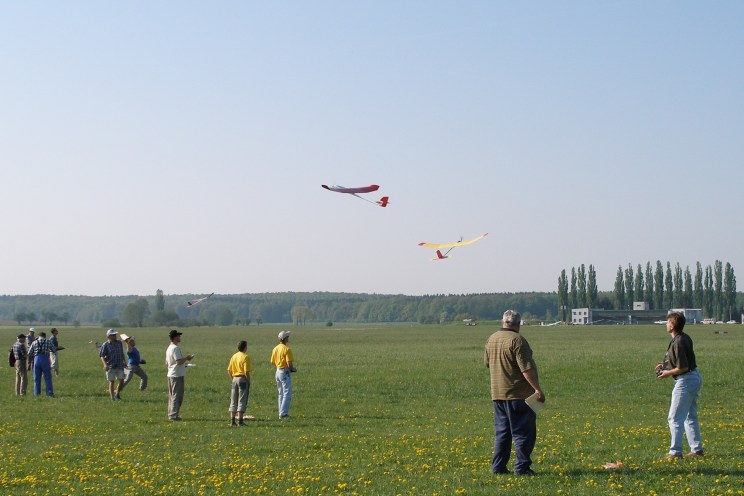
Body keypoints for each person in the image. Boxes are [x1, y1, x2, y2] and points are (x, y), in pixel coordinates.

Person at [484, 309, 545, 476]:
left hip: (497, 394)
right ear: (518, 324)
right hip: (519, 395)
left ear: (503, 322)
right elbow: (527, 369)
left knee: (502, 433)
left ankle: (498, 467)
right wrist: (537, 389)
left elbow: (488, 363)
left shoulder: (492, 339)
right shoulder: (518, 341)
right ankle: (522, 468)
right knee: (523, 434)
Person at [656, 311, 703, 460]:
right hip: (693, 377)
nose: (666, 324)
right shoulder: (683, 338)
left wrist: (667, 373)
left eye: (667, 322)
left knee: (674, 418)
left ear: (672, 325)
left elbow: (683, 367)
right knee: (690, 416)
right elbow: (681, 361)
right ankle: (696, 449)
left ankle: (675, 452)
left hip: (685, 380)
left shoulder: (678, 342)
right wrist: (666, 365)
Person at [165, 329, 194, 421]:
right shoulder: (175, 348)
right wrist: (187, 358)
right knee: (177, 396)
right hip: (177, 375)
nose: (180, 337)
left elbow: (167, 363)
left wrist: (183, 365)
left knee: (172, 395)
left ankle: (171, 414)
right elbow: (178, 362)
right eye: (178, 336)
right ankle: (173, 416)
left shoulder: (169, 348)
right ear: (174, 338)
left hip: (171, 374)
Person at [270, 330, 297, 419]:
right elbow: (289, 363)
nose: (288, 338)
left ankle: (280, 412)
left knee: (280, 393)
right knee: (287, 393)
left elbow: (272, 362)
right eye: (287, 337)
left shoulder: (275, 348)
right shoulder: (287, 349)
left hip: (277, 371)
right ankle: (283, 414)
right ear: (285, 339)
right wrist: (293, 369)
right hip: (284, 372)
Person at [227, 340, 252, 426]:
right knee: (242, 399)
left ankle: (232, 421)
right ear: (245, 347)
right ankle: (240, 421)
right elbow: (246, 371)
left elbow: (229, 370)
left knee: (233, 400)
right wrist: (249, 381)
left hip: (234, 379)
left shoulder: (234, 356)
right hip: (242, 379)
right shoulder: (245, 357)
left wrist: (233, 379)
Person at [99, 329, 126, 400]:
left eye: (115, 335)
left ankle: (117, 394)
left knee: (122, 381)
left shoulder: (119, 343)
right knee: (112, 381)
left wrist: (124, 361)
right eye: (113, 335)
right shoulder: (106, 344)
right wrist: (105, 364)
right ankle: (112, 397)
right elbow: (101, 355)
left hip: (119, 365)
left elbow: (121, 352)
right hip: (110, 366)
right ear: (108, 336)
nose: (115, 336)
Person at [28, 331, 56, 397]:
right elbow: (53, 350)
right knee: (48, 377)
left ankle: (37, 394)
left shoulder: (34, 342)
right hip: (45, 358)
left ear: (38, 336)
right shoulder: (48, 341)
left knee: (36, 378)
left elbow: (29, 353)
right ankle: (49, 393)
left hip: (36, 358)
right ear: (45, 336)